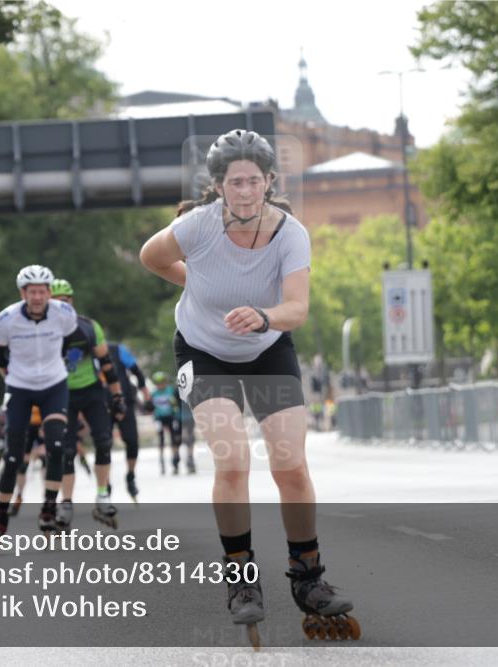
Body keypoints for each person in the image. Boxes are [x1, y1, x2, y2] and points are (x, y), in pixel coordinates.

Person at [139, 129, 357, 643]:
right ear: (218, 186)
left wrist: (263, 318)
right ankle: (241, 580)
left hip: (266, 347)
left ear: (268, 182)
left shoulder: (290, 233)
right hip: (203, 351)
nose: (244, 191)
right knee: (232, 460)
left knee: (290, 463)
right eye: (234, 182)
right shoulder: (196, 227)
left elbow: (297, 309)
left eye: (253, 181)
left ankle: (309, 578)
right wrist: (193, 280)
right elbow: (150, 256)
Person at [0, 265, 78, 555]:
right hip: (19, 386)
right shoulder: (7, 319)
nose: (37, 297)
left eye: (42, 291)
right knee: (12, 456)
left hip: (53, 384)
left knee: (57, 445)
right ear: (22, 293)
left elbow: (72, 343)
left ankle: (48, 508)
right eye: (31, 292)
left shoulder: (63, 314)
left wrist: (63, 365)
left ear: (49, 292)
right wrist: (8, 375)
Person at [48, 278, 127, 530]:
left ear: (71, 301)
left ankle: (103, 496)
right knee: (66, 451)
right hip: (61, 394)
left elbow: (107, 365)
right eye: (56, 301)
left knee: (104, 441)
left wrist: (117, 396)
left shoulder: (88, 327)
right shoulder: (43, 332)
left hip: (92, 391)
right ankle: (66, 503)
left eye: (66, 300)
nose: (62, 305)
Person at [105, 341, 153, 501]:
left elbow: (137, 372)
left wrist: (146, 396)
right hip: (101, 404)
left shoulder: (117, 350)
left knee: (132, 441)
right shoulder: (86, 351)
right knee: (103, 444)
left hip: (124, 402)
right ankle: (105, 482)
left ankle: (130, 476)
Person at [149, 371, 181, 475]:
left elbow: (176, 405)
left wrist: (176, 414)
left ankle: (175, 461)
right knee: (161, 440)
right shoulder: (154, 394)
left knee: (174, 439)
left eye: (162, 382)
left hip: (170, 416)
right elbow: (150, 407)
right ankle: (162, 461)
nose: (160, 385)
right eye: (158, 383)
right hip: (159, 418)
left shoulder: (171, 391)